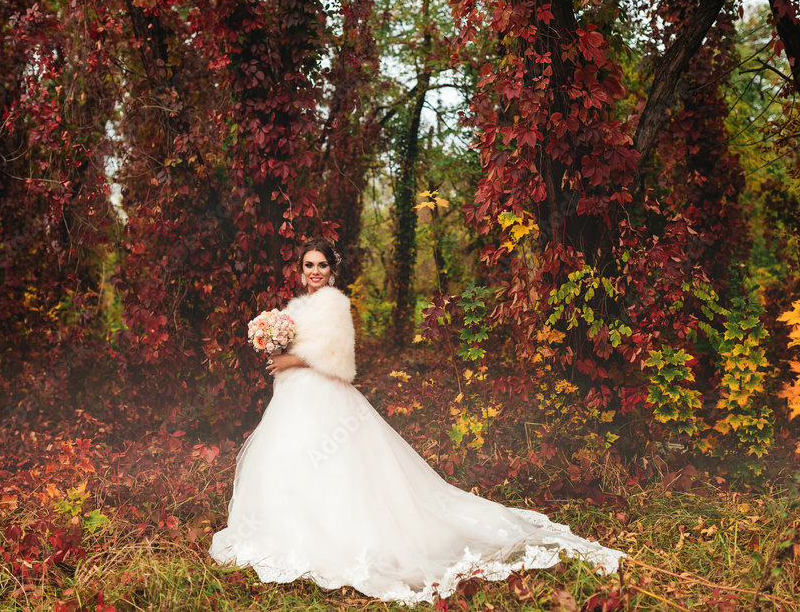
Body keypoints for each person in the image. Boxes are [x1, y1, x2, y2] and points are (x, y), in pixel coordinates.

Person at [209, 238, 625, 605]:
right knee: (290, 458)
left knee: (334, 465)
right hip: (294, 395)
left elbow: (336, 353)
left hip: (324, 394)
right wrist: (272, 338)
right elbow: (295, 337)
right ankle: (286, 533)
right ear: (300, 271)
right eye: (308, 265)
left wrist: (291, 357)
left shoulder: (336, 303)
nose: (315, 271)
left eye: (321, 265)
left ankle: (345, 540)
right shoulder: (296, 306)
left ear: (332, 270)